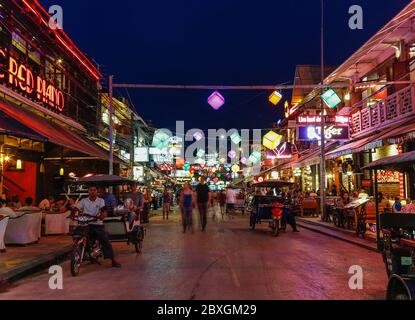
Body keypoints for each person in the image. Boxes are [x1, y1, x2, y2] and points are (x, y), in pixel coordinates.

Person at [76, 185, 121, 268]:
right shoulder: (83, 201)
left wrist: (102, 215)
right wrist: (74, 211)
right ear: (88, 191)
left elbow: (103, 211)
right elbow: (76, 208)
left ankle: (112, 260)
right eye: (90, 190)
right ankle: (80, 252)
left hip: (97, 224)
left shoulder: (100, 201)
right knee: (76, 235)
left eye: (94, 190)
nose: (92, 192)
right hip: (85, 224)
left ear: (97, 191)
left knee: (105, 239)